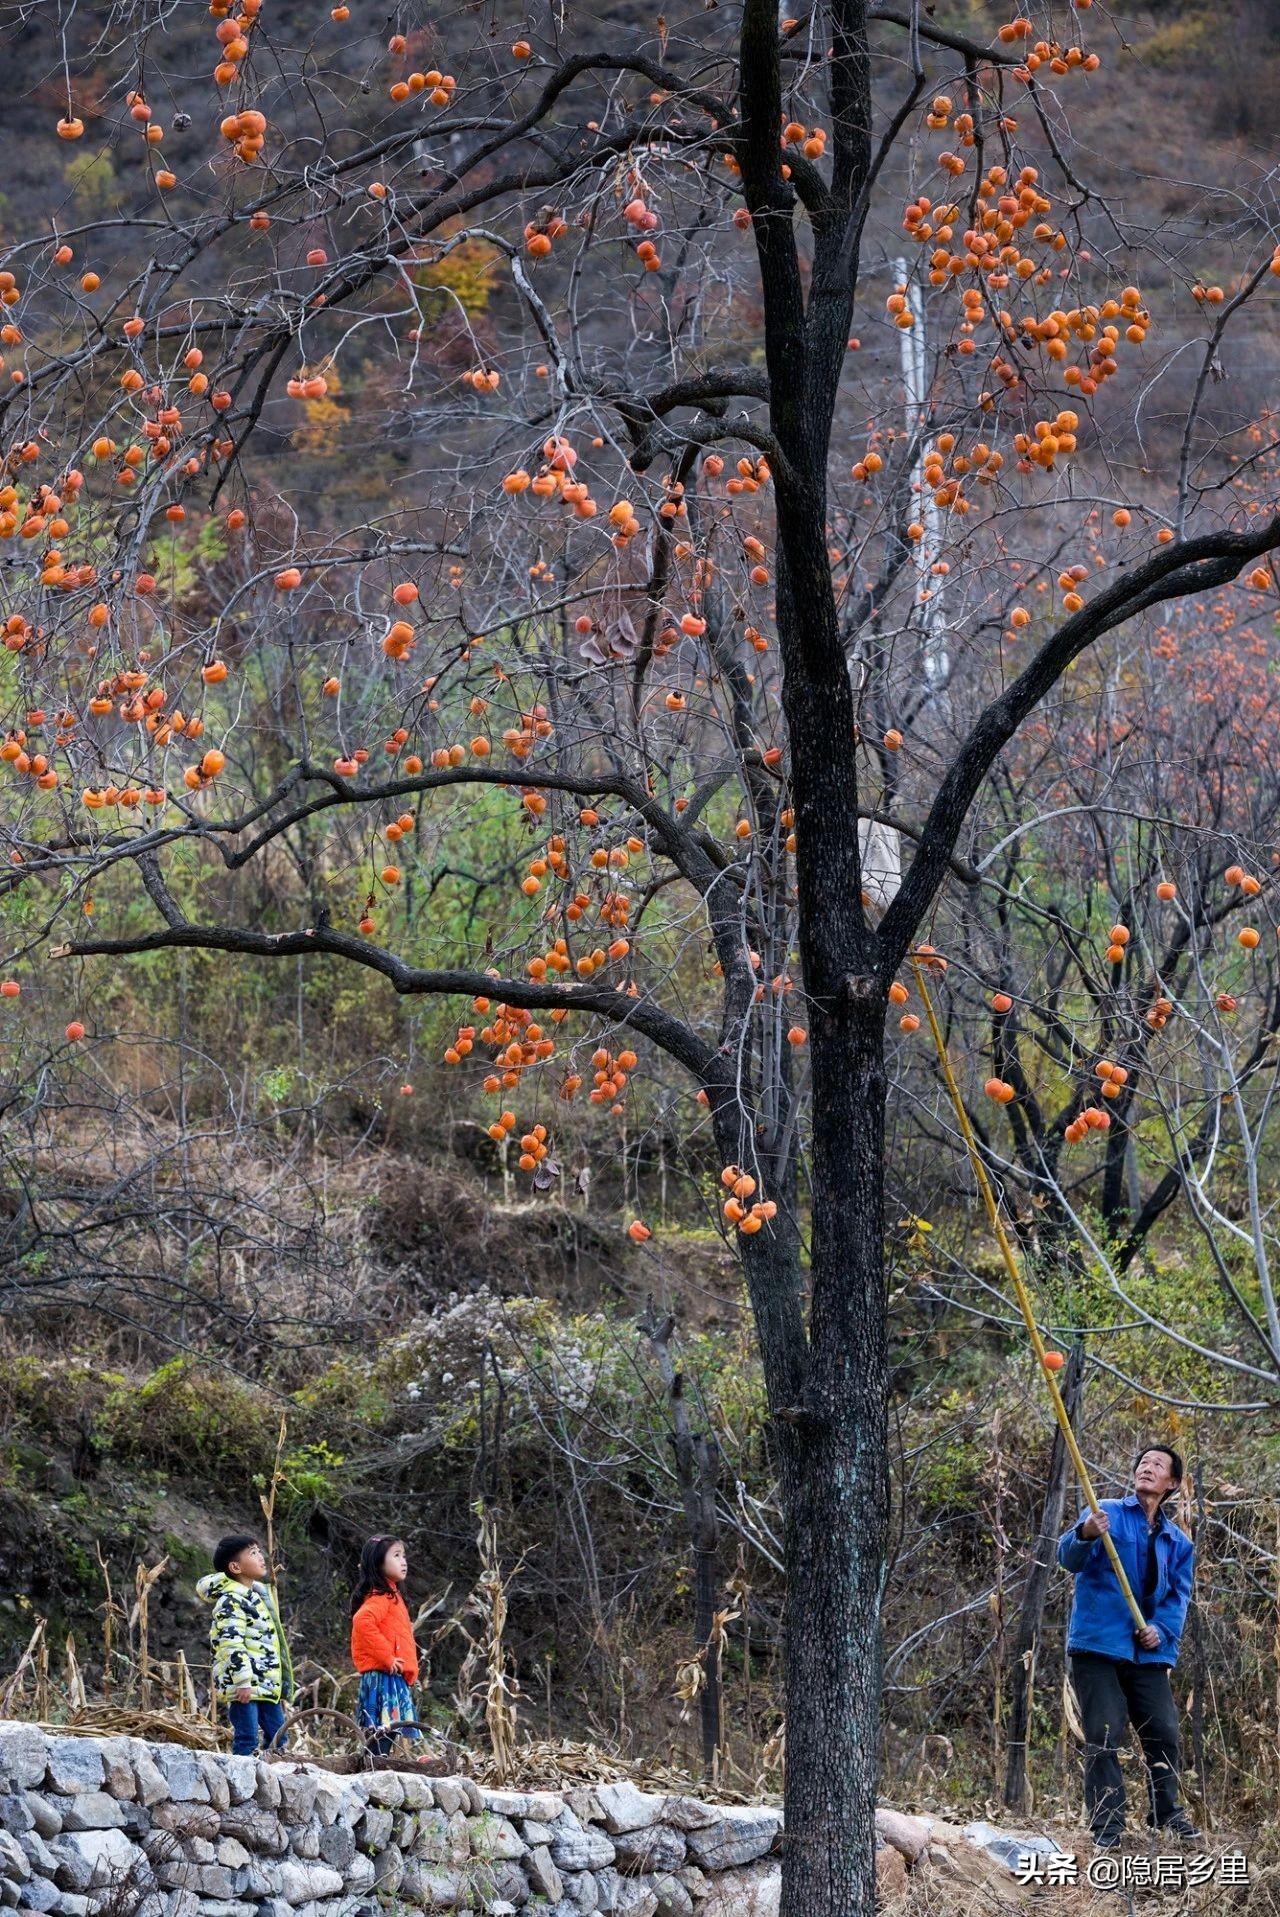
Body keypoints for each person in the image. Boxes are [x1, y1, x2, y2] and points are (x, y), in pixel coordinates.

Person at [1056, 1444, 1198, 1850]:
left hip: (1148, 1652)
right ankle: (1108, 1828)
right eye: (1143, 1463)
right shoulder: (1105, 1512)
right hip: (1099, 1645)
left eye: (1158, 1465)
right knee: (1104, 1733)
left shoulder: (1178, 1542)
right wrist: (1085, 1534)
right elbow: (1068, 1558)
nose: (1147, 1468)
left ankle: (1167, 1814)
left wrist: (1160, 1629)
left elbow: (1178, 1598)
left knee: (1164, 1732)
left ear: (1172, 1483)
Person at [196, 1535, 294, 1757]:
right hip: (245, 1686)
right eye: (253, 1553)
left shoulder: (257, 1597)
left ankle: (275, 1784)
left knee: (279, 1737)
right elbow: (231, 1643)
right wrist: (242, 1680)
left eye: (259, 1551)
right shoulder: (231, 1600)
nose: (261, 1557)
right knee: (248, 1737)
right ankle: (242, 1786)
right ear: (235, 1567)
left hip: (266, 1685)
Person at [351, 1536, 421, 1754]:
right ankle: (374, 1767)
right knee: (385, 1731)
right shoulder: (381, 1597)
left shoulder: (391, 1594)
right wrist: (388, 1658)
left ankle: (373, 1764)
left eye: (404, 1555)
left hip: (389, 1675)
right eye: (396, 1555)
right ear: (378, 1563)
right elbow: (362, 1621)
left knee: (386, 1731)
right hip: (384, 1676)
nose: (403, 1561)